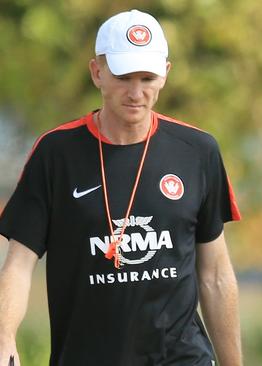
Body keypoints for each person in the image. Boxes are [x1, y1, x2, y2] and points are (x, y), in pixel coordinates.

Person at [0, 9, 242, 366]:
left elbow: (216, 275)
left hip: (181, 357)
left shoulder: (197, 150)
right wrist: (4, 336)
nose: (136, 92)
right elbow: (18, 264)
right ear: (97, 72)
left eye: (147, 78)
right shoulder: (56, 153)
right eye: (124, 76)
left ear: (165, 75)